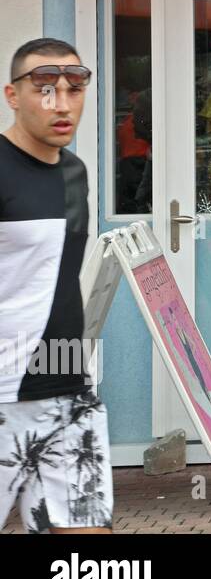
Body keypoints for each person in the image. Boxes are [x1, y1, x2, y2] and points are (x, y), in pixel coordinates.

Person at [1, 38, 113, 533]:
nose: (61, 104)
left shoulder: (74, 173)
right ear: (12, 95)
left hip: (67, 386)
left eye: (74, 89)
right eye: (45, 89)